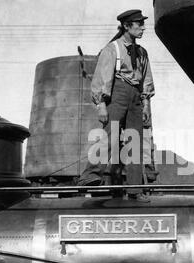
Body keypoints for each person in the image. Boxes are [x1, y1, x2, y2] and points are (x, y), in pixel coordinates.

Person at [78, 9, 155, 203]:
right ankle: (90, 176)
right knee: (109, 135)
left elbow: (146, 79)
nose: (143, 28)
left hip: (136, 97)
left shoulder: (142, 53)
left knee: (135, 143)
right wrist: (101, 105)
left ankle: (135, 190)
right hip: (117, 94)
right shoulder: (113, 49)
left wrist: (145, 104)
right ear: (127, 26)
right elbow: (102, 78)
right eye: (139, 24)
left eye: (143, 24)